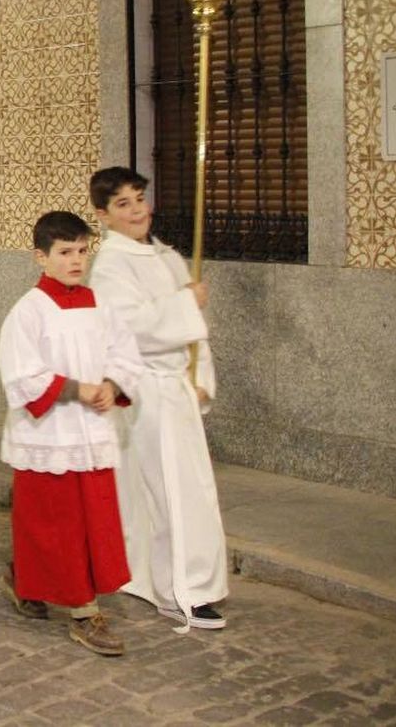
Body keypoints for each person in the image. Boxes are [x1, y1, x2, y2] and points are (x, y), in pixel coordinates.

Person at [87, 166, 230, 630]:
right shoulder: (110, 264)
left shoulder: (166, 255)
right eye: (122, 204)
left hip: (177, 387)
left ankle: (166, 578)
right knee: (167, 490)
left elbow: (192, 332)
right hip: (147, 389)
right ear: (103, 216)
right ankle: (178, 589)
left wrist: (201, 372)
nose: (136, 211)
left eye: (140, 199)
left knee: (192, 490)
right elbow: (131, 328)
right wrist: (186, 304)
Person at [0, 211, 145, 655]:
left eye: (82, 250)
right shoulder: (28, 310)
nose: (76, 260)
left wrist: (112, 384)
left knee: (92, 523)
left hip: (91, 435)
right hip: (48, 435)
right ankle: (84, 614)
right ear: (41, 257)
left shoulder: (102, 305)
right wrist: (76, 388)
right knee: (53, 525)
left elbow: (126, 354)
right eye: (64, 252)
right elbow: (21, 374)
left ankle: (26, 580)